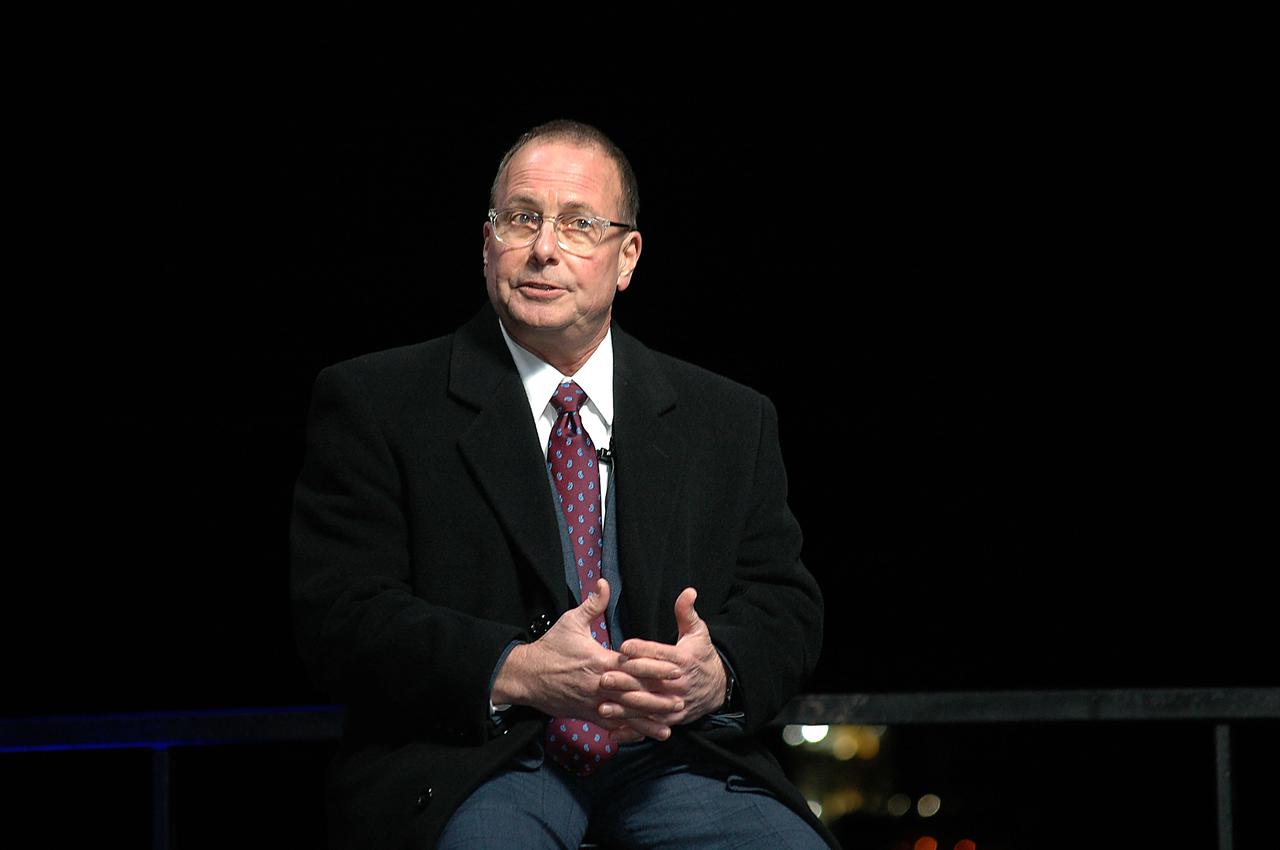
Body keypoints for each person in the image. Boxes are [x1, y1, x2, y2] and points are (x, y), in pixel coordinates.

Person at [291, 119, 835, 849]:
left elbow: (785, 604)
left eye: (579, 224)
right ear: (488, 246)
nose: (545, 247)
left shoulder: (730, 418)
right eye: (522, 219)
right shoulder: (376, 402)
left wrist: (718, 672)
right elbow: (341, 615)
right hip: (480, 761)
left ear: (626, 257)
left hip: (677, 759)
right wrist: (514, 670)